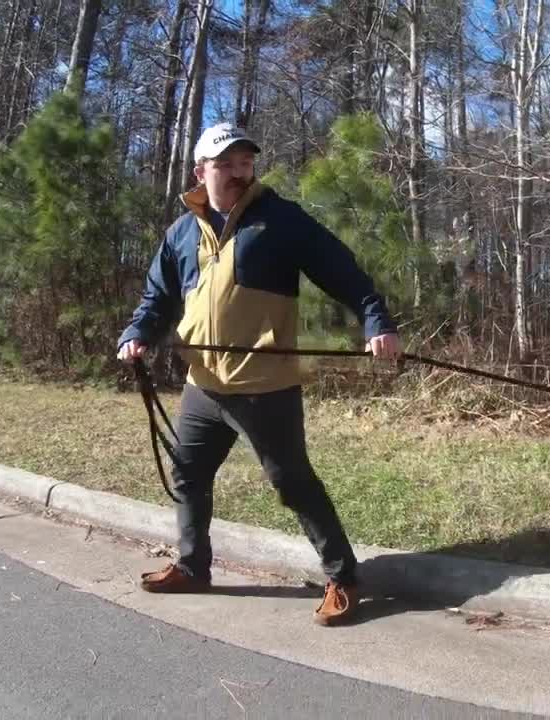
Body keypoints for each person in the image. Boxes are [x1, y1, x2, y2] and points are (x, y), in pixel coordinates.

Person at [117, 122, 401, 626]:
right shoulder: (182, 232)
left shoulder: (280, 220)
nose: (238, 172)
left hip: (263, 385)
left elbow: (345, 272)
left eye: (245, 163)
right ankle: (193, 566)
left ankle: (344, 577)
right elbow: (156, 298)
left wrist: (376, 321)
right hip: (203, 385)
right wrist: (134, 334)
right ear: (200, 171)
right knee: (188, 473)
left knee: (291, 482)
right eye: (225, 164)